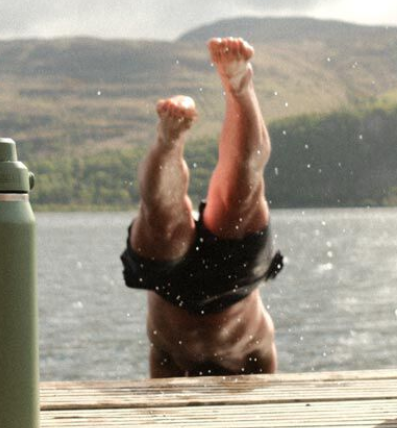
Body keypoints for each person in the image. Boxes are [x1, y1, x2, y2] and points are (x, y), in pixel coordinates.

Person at [121, 37, 284, 377]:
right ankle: (239, 87)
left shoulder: (167, 355)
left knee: (162, 219)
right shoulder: (256, 355)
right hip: (232, 283)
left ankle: (169, 143)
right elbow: (270, 392)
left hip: (170, 285)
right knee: (242, 190)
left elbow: (161, 388)